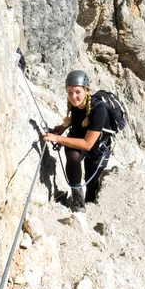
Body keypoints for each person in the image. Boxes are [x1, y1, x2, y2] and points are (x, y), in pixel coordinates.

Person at [43, 70, 112, 213]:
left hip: (98, 148)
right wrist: (62, 128)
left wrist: (58, 138)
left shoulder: (99, 109)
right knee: (73, 157)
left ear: (87, 90)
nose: (73, 97)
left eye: (77, 92)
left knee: (91, 182)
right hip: (80, 138)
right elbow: (78, 120)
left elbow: (87, 144)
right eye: (69, 92)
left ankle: (91, 209)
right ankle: (78, 202)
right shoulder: (76, 105)